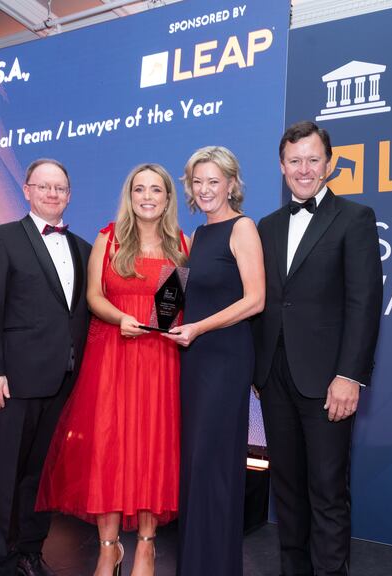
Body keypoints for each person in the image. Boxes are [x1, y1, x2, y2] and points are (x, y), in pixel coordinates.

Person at [36, 164, 188, 576]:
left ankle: (145, 546)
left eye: (156, 189)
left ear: (168, 198)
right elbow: (93, 296)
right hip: (112, 355)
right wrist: (120, 318)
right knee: (109, 449)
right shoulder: (109, 238)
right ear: (130, 196)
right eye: (139, 189)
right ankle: (108, 548)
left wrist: (160, 325)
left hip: (158, 361)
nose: (147, 196)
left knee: (151, 450)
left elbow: (169, 311)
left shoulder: (181, 245)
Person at [251, 121, 383, 576]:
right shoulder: (266, 226)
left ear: (329, 163)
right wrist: (257, 373)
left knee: (327, 490)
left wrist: (350, 375)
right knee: (286, 492)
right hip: (274, 377)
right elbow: (261, 301)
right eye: (294, 161)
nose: (303, 169)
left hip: (328, 380)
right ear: (281, 166)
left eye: (312, 159)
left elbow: (364, 303)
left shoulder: (354, 218)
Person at [0, 158, 92, 576]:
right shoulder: (2, 238)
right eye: (44, 187)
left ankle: (28, 552)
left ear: (69, 195)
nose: (52, 194)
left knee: (40, 477)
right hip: (14, 381)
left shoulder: (83, 249)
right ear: (27, 190)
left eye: (59, 188)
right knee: (5, 474)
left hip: (62, 380)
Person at [164, 146, 265, 576]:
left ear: (231, 184)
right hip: (195, 359)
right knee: (196, 464)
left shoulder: (243, 228)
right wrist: (145, 321)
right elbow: (176, 299)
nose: (205, 190)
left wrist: (200, 328)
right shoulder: (199, 235)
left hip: (224, 359)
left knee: (214, 462)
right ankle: (196, 563)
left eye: (213, 181)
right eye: (197, 182)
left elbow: (256, 300)